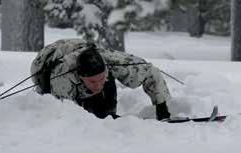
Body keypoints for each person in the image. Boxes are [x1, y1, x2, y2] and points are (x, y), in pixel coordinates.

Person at [30, 38, 172, 120]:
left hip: (80, 47)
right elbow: (63, 117)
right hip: (44, 65)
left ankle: (107, 114)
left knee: (105, 113)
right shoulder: (61, 79)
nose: (98, 85)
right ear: (80, 76)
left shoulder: (111, 60)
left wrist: (162, 109)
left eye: (101, 78)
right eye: (93, 81)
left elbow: (150, 71)